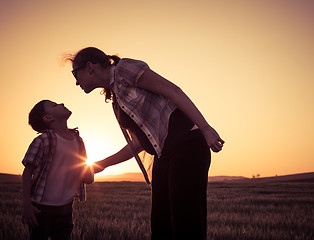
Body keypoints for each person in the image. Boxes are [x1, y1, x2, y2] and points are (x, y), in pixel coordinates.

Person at [69, 47, 224, 239]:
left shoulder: (125, 69)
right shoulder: (116, 101)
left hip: (187, 145)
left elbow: (173, 91)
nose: (76, 82)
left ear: (90, 67)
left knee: (186, 225)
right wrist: (100, 165)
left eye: (75, 73)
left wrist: (206, 128)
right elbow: (138, 143)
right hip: (164, 154)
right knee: (161, 227)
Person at [22, 100, 94, 240]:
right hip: (41, 208)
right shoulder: (43, 140)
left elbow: (84, 170)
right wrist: (26, 205)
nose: (61, 103)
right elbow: (27, 173)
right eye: (54, 105)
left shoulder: (78, 140)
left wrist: (88, 173)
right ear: (48, 118)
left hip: (66, 207)